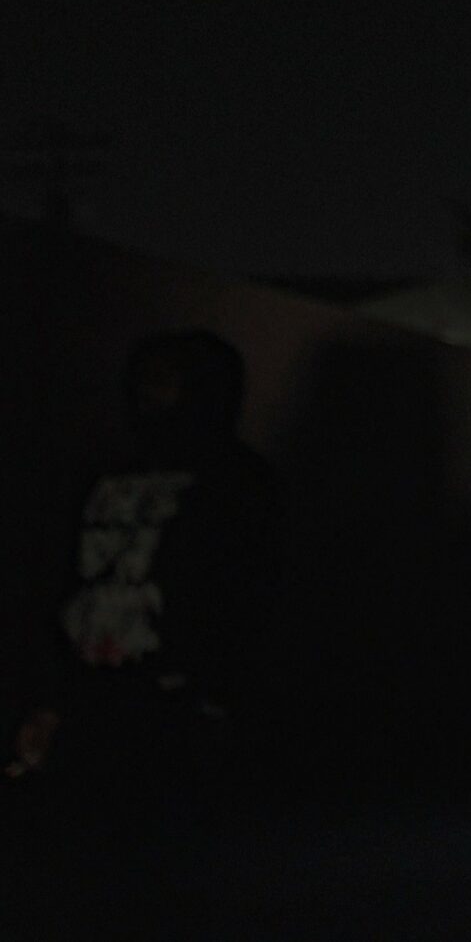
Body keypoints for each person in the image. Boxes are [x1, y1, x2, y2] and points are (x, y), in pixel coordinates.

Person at [7, 329, 278, 860]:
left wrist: (218, 695)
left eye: (166, 379)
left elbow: (246, 591)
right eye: (144, 378)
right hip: (94, 693)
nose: (148, 392)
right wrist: (50, 694)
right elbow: (61, 576)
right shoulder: (105, 473)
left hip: (173, 700)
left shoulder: (241, 483)